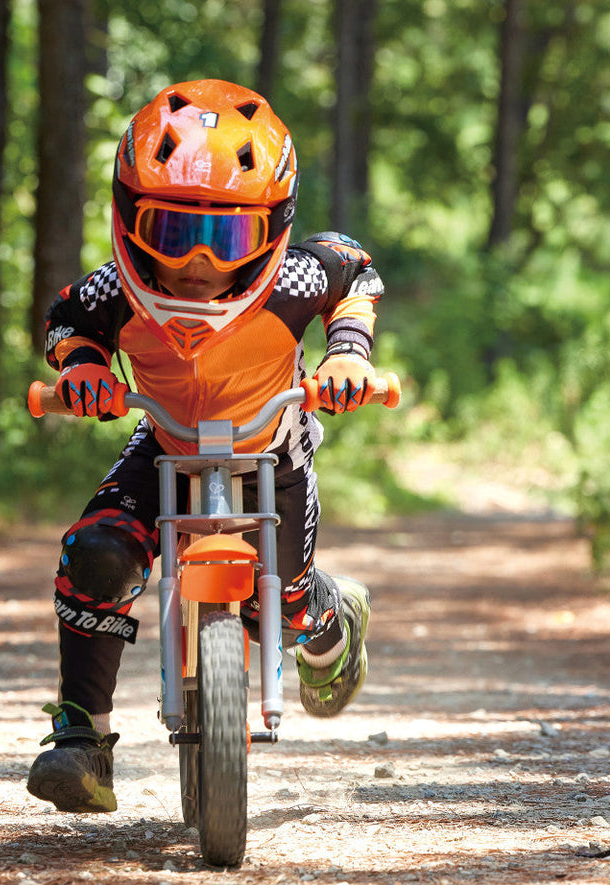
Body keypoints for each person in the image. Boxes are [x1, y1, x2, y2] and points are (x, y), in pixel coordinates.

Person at [26, 79, 384, 814]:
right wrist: (85, 368)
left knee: (281, 607)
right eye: (171, 230)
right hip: (163, 440)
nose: (195, 258)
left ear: (269, 228)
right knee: (96, 552)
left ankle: (327, 621)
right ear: (131, 218)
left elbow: (356, 268)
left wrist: (347, 352)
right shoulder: (118, 291)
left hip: (270, 448)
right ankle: (81, 740)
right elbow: (67, 319)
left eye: (224, 238)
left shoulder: (293, 276)